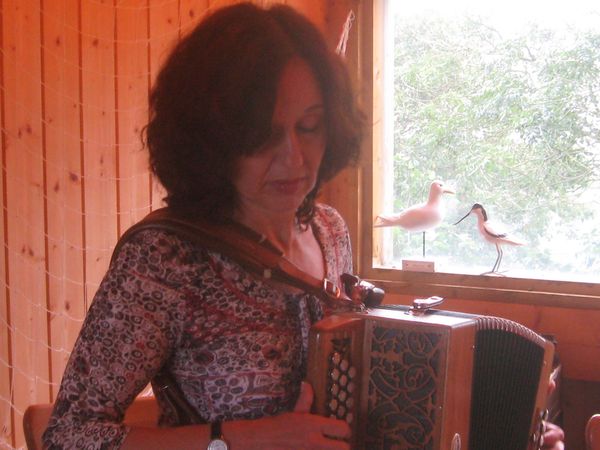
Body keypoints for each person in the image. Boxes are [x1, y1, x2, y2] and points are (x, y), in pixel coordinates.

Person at [42, 3, 565, 449]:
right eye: (263, 135)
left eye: (310, 126)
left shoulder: (329, 231)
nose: (294, 158)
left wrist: (500, 426)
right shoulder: (165, 260)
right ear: (211, 139)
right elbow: (68, 434)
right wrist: (242, 440)